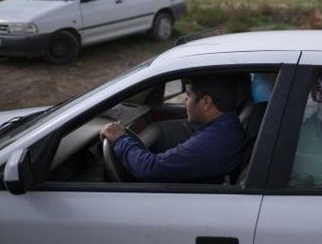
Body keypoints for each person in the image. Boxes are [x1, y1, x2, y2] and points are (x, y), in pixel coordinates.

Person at [99, 74, 246, 183]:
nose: (184, 101)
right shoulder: (228, 125)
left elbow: (150, 169)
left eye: (188, 96)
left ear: (206, 102)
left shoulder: (214, 141)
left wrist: (119, 139)